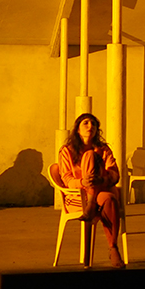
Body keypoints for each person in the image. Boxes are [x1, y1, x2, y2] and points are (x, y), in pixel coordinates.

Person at [58, 113, 124, 268]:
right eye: (86, 123)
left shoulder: (104, 149)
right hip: (78, 198)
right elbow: (66, 179)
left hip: (99, 193)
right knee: (109, 198)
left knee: (91, 157)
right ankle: (113, 248)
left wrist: (102, 180)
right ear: (78, 129)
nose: (90, 126)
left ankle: (113, 246)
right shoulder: (67, 151)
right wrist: (82, 182)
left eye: (94, 124)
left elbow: (115, 174)